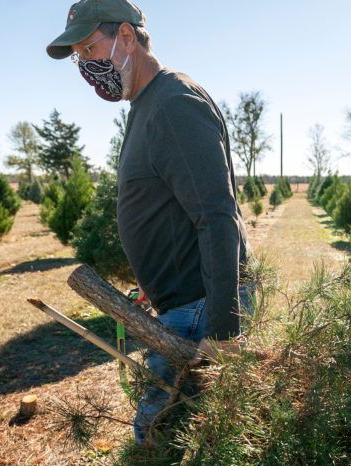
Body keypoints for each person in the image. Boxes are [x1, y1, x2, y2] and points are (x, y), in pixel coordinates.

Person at [47, 0, 254, 443]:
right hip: (184, 303)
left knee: (169, 447)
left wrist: (222, 329)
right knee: (173, 446)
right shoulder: (147, 103)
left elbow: (216, 216)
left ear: (126, 36)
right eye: (79, 58)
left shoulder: (173, 104)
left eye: (89, 49)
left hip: (202, 311)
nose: (86, 66)